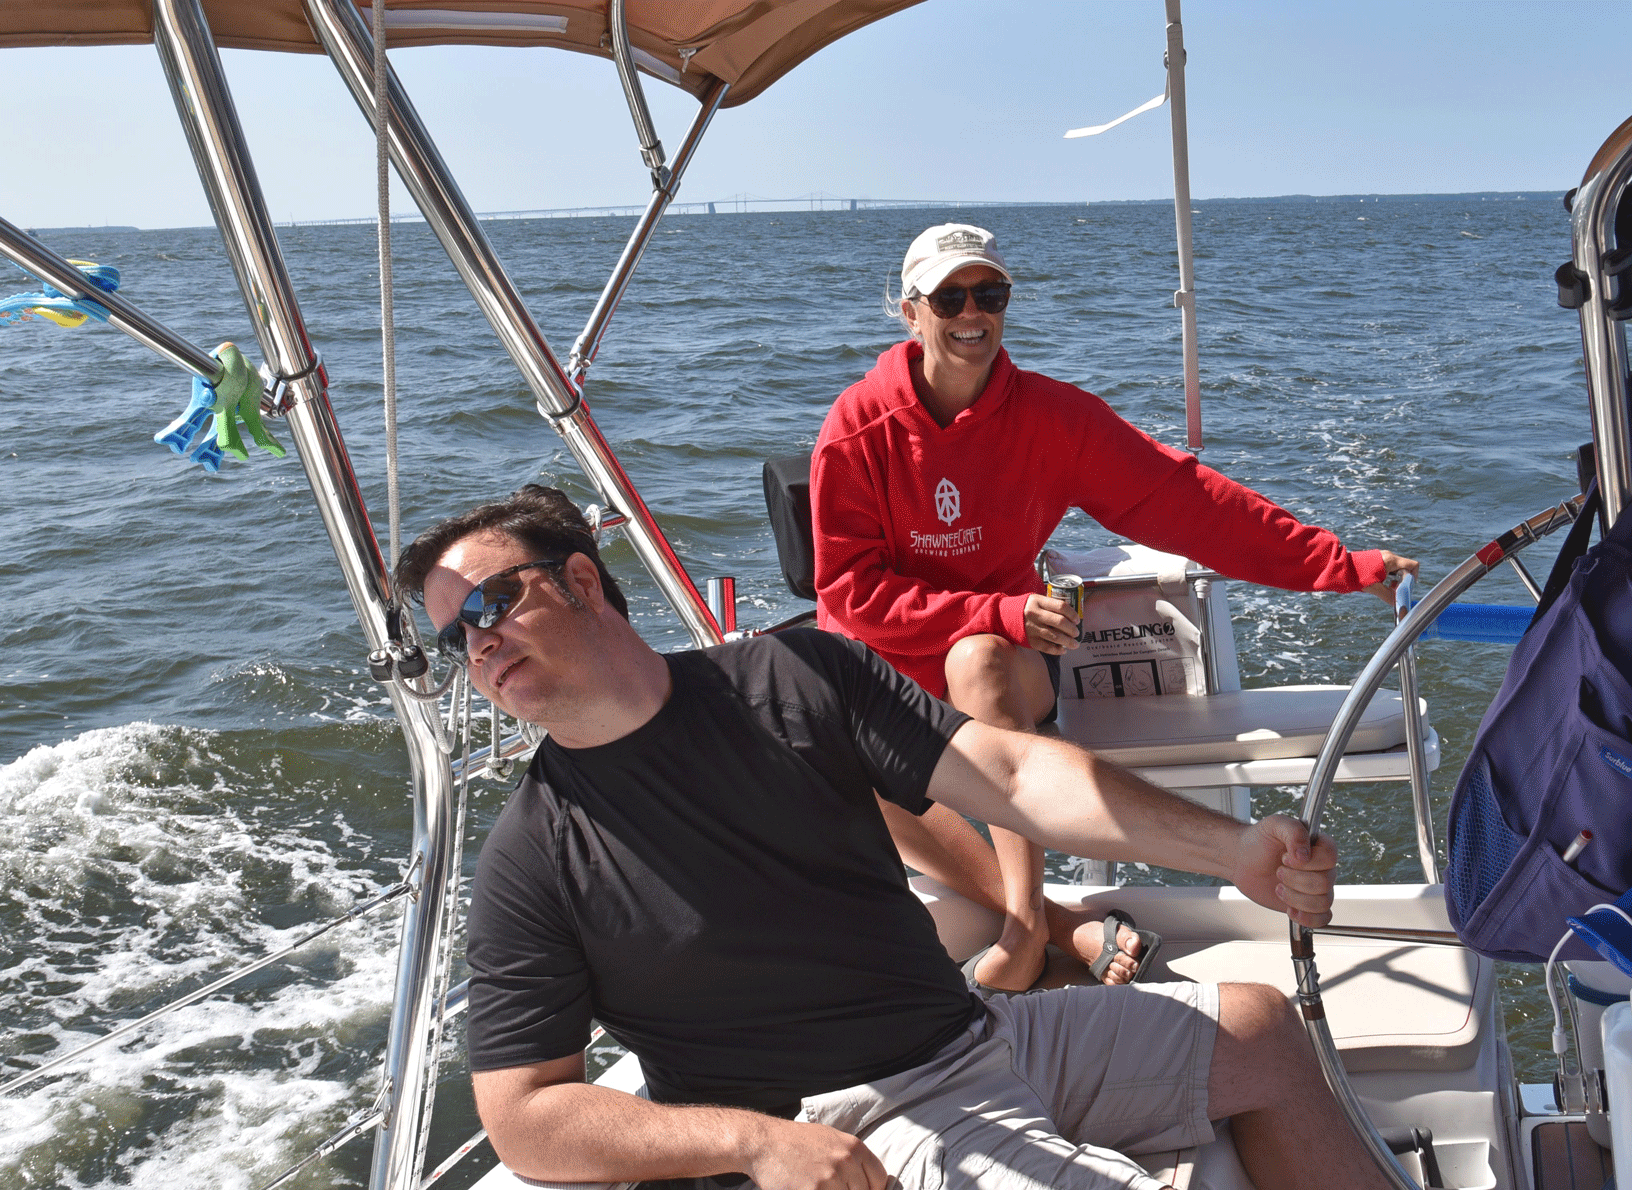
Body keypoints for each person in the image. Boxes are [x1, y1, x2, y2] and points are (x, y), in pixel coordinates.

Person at [397, 483, 1390, 1190]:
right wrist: (752, 1141)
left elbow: (1006, 771)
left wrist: (1235, 851)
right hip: (850, 1116)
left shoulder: (791, 679)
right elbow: (525, 1111)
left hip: (974, 1031)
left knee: (1262, 1027)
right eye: (454, 636)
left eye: (492, 601)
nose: (477, 642)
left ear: (579, 578)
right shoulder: (534, 854)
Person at [811, 222, 1420, 995]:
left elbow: (1190, 503)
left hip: (1003, 663)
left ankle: (1028, 929)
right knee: (825, 738)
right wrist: (993, 608)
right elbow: (848, 596)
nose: (974, 312)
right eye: (951, 295)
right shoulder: (857, 430)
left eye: (990, 293)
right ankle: (1062, 923)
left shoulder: (1052, 420)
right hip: (895, 666)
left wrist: (1339, 566)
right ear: (911, 311)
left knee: (979, 659)